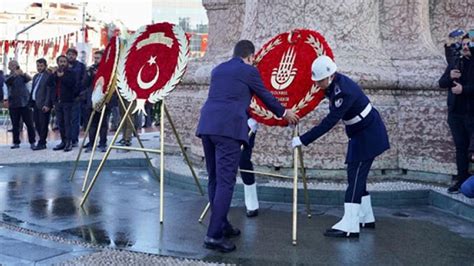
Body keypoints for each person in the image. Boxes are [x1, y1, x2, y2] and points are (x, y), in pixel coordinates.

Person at [196, 40, 299, 252]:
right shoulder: (249, 71)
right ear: (250, 56)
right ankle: (213, 236)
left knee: (214, 178)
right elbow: (265, 96)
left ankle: (222, 224)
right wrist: (284, 112)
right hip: (228, 130)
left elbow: (226, 98)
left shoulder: (218, 70)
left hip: (207, 125)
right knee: (225, 182)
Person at [292, 56, 390, 238]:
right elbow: (316, 95)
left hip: (368, 135)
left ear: (330, 76)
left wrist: (303, 139)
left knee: (355, 177)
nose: (318, 84)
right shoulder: (333, 85)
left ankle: (350, 225)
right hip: (361, 133)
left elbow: (329, 122)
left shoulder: (344, 91)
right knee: (357, 176)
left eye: (320, 80)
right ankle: (365, 217)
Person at [439, 33, 474, 193]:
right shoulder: (456, 62)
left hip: (471, 113)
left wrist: (464, 90)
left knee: (471, 149)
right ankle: (462, 179)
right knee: (460, 148)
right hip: (455, 113)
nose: (465, 47)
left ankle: (470, 184)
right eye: (464, 45)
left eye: (469, 45)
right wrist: (450, 76)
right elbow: (442, 83)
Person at [49, 55, 80, 152]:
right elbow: (48, 84)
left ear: (67, 63)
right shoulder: (55, 73)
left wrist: (62, 77)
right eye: (60, 61)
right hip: (57, 101)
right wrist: (53, 75)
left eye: (64, 61)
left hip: (68, 101)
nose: (62, 63)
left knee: (68, 123)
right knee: (60, 123)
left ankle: (69, 142)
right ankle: (63, 141)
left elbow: (72, 85)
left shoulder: (71, 73)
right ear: (57, 62)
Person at [4, 60, 36, 149]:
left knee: (29, 123)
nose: (14, 66)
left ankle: (32, 142)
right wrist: (15, 75)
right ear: (9, 67)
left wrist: (22, 74)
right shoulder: (7, 76)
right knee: (15, 124)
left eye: (15, 65)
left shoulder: (23, 75)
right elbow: (7, 82)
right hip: (13, 103)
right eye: (12, 65)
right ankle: (16, 142)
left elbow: (30, 79)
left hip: (25, 102)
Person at [83, 50, 109, 153]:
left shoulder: (107, 69)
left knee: (102, 123)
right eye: (95, 58)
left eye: (98, 58)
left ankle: (102, 143)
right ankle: (91, 143)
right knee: (92, 123)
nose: (96, 60)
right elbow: (84, 84)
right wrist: (90, 74)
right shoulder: (91, 69)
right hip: (92, 98)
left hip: (103, 98)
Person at [30, 58, 53, 150]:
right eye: (38, 66)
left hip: (44, 104)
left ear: (45, 66)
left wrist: (47, 104)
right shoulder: (36, 76)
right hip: (36, 103)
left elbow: (49, 91)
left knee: (43, 124)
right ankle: (41, 139)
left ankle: (42, 142)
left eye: (41, 66)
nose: (39, 68)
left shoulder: (48, 76)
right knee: (37, 123)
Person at [239, 117, 260, 217]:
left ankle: (252, 204)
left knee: (243, 160)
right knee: (226, 160)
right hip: (227, 119)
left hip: (247, 121)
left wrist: (255, 117)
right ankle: (222, 199)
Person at [66, 48, 86, 147]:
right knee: (66, 119)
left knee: (75, 119)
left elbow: (84, 81)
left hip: (76, 96)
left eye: (72, 55)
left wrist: (80, 94)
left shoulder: (81, 66)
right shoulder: (63, 66)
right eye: (69, 54)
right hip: (65, 97)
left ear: (76, 56)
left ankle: (74, 140)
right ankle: (66, 139)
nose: (70, 56)